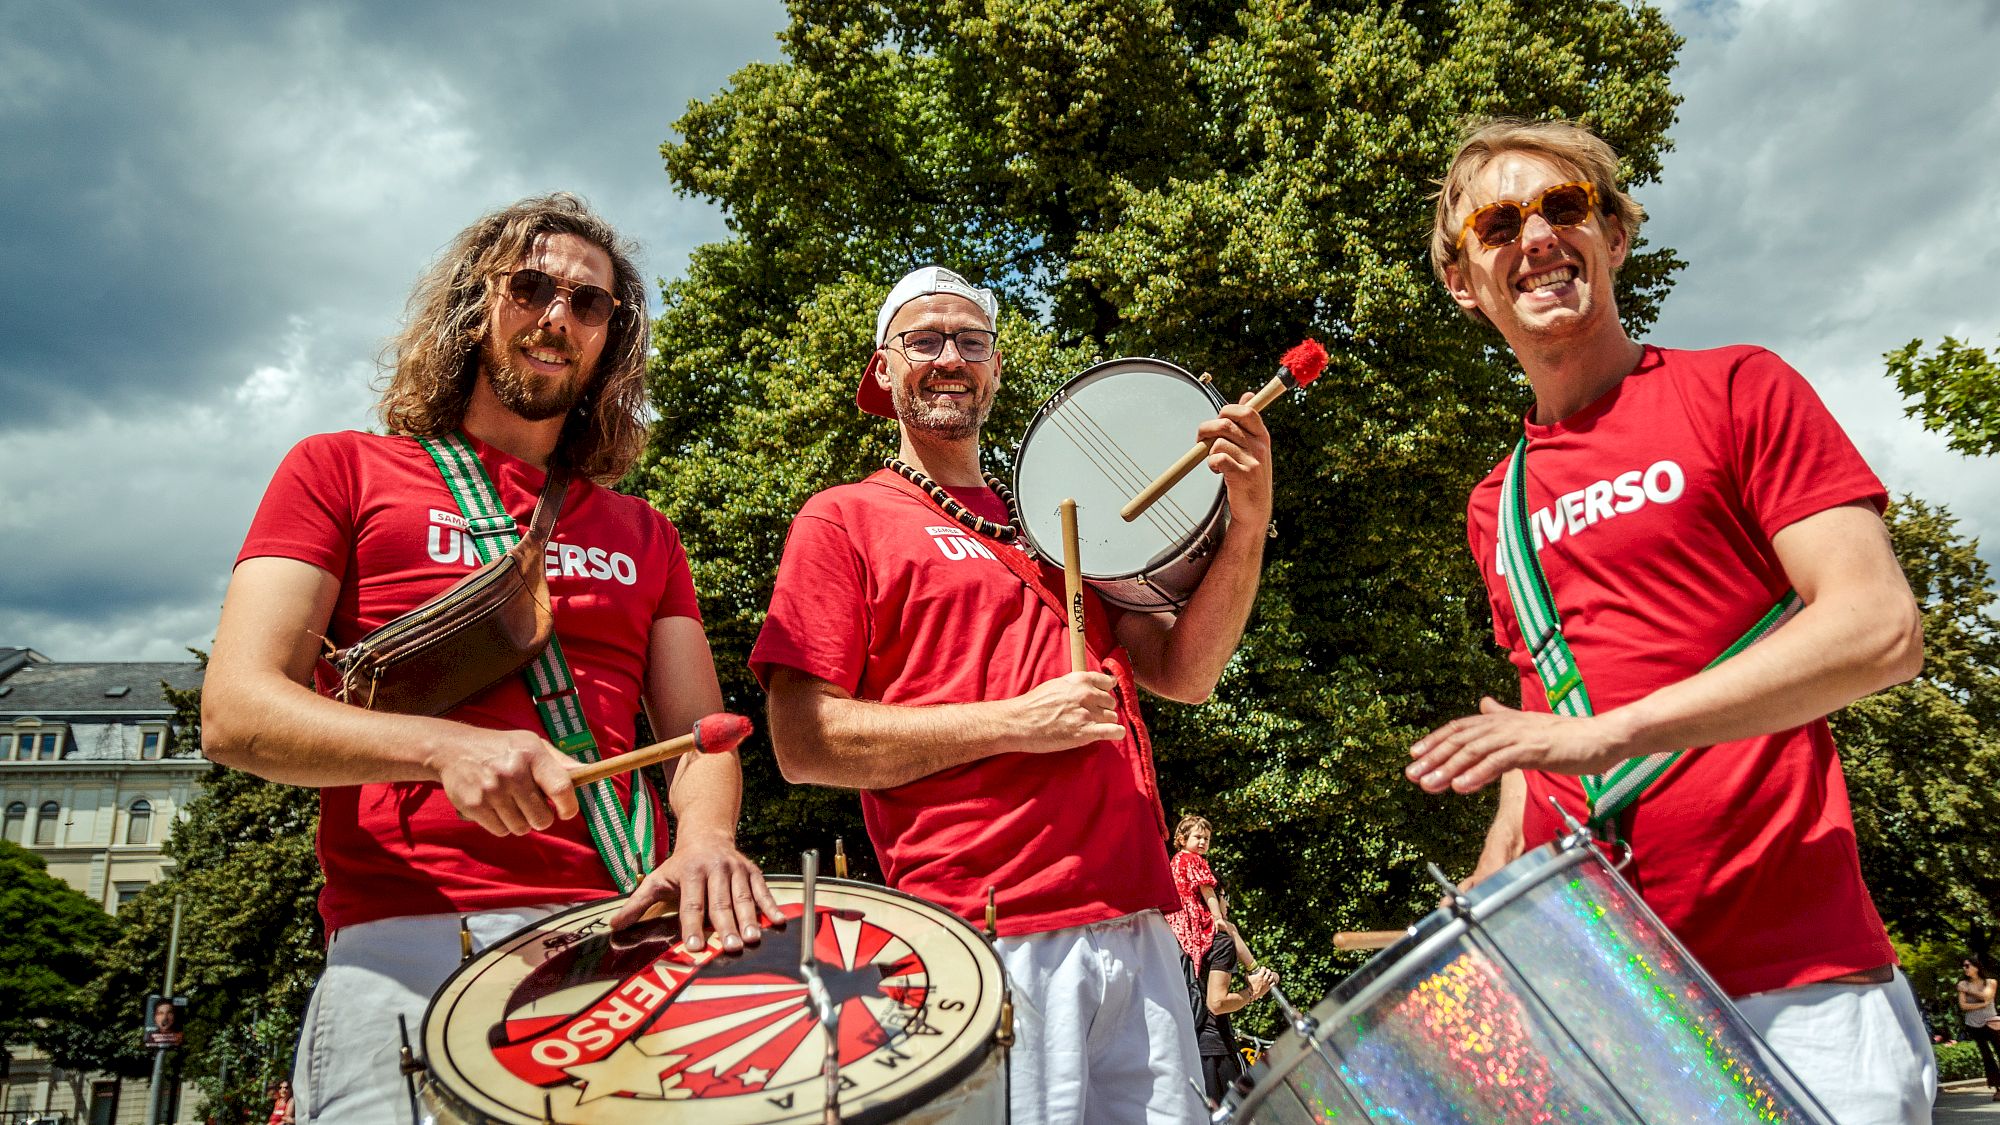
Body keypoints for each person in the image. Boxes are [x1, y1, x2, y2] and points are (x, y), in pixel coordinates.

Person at [204, 194, 777, 1125]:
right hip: (411, 947)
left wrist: (707, 841)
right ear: (476, 305)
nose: (558, 317)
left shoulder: (647, 533)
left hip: (616, 943)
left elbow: (700, 736)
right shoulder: (337, 470)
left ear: (610, 340)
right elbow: (236, 711)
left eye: (589, 303)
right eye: (531, 287)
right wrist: (443, 749)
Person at [1404, 117, 1933, 1122]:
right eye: (1499, 225)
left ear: (1611, 235)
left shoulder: (1735, 388)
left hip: (1796, 989)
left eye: (1564, 208)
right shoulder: (1493, 503)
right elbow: (1543, 734)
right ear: (1464, 281)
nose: (1537, 236)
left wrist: (1612, 733)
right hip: (1603, 1009)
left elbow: (1878, 628)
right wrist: (1478, 896)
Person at [753, 265, 1276, 1124]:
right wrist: (1018, 722)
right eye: (924, 339)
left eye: (971, 340)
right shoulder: (843, 517)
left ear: (995, 368)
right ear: (883, 369)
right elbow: (802, 741)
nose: (950, 356)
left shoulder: (1058, 520)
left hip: (1141, 915)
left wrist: (1247, 521)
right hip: (990, 930)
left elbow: (1186, 670)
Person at [1194, 895, 1277, 1105]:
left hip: (1186, 1047)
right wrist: (1252, 992)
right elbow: (1217, 1003)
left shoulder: (1176, 939)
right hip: (1217, 1050)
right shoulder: (1220, 943)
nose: (1228, 904)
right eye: (1224, 897)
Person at [1959, 955, 2000, 1095]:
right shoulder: (1963, 984)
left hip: (1992, 1022)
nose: (1965, 969)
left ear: (1976, 967)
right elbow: (1963, 1006)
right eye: (1963, 966)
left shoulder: (1990, 982)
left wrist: (1968, 990)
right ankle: (1997, 1088)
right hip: (1973, 1024)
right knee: (1986, 1056)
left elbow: (1987, 996)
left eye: (1967, 966)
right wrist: (1982, 1005)